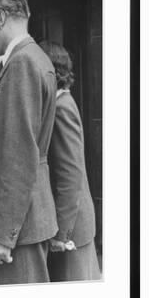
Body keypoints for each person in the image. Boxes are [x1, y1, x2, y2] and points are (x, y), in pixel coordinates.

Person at [0, 0, 58, 284]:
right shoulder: (32, 57)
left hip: (21, 228)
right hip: (26, 221)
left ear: (1, 17)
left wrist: (4, 234)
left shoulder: (22, 63)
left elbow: (19, 154)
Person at [40, 40, 101, 282]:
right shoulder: (59, 103)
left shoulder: (61, 106)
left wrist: (62, 234)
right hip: (71, 225)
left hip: (72, 229)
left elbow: (70, 174)